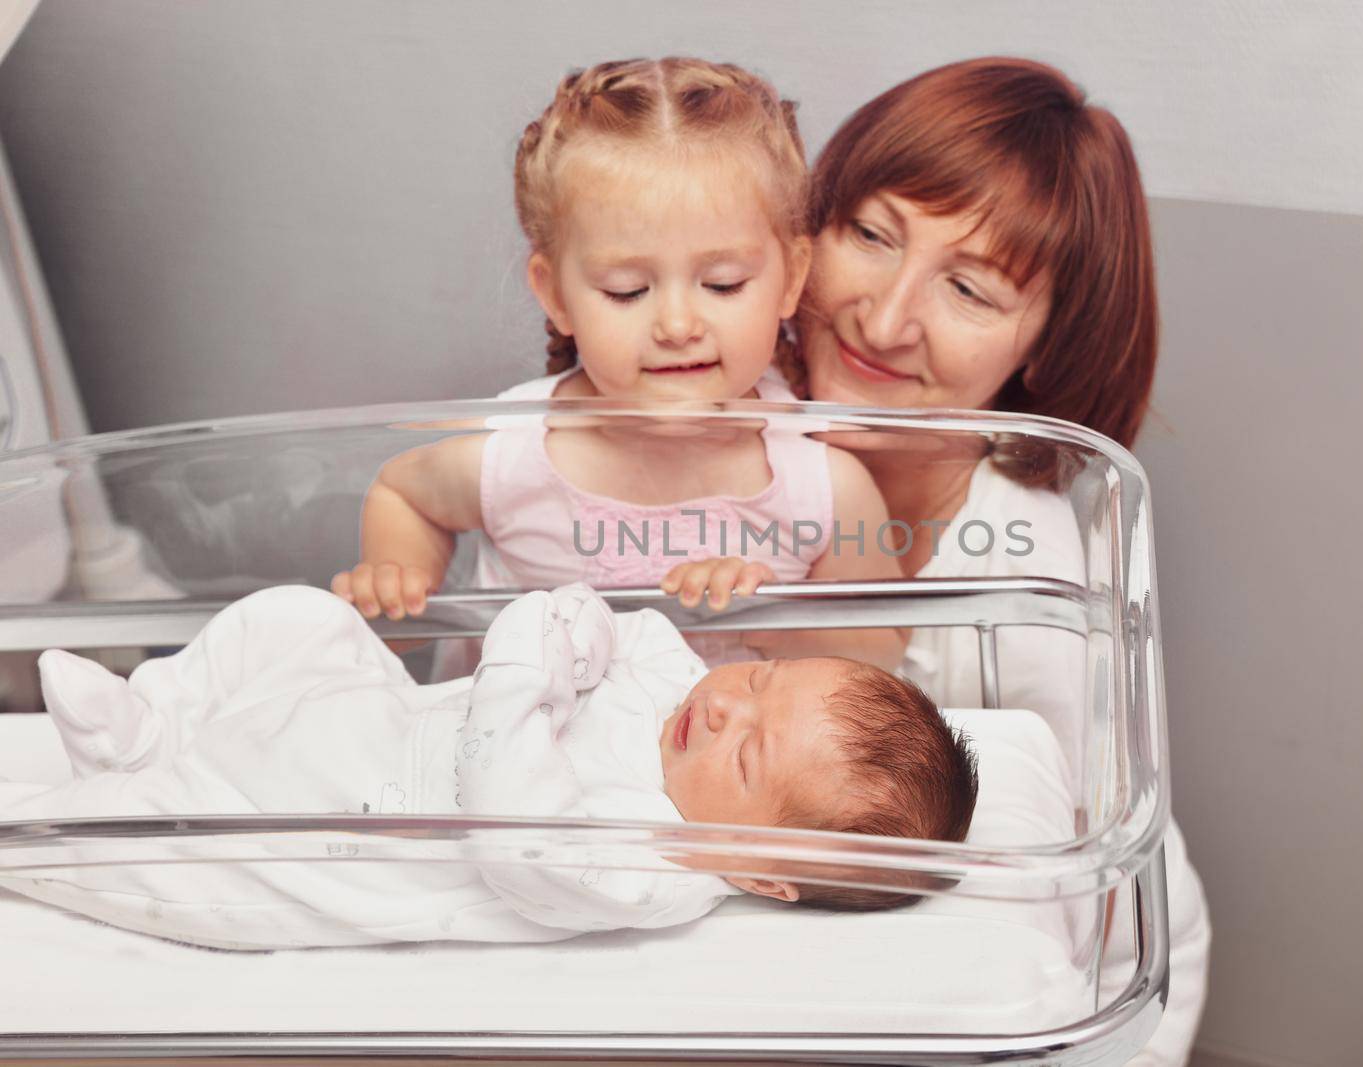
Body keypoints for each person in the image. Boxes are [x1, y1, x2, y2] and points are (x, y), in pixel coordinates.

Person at [787, 58, 1211, 1067]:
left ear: (1044, 340)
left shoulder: (1032, 588)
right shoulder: (693, 432)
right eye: (870, 235)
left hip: (1075, 976)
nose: (884, 320)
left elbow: (1049, 915)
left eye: (970, 289)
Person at [0, 584, 976, 950]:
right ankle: (153, 724)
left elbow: (517, 833)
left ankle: (78, 803)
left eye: (748, 748)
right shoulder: (684, 687)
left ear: (759, 867)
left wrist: (523, 668)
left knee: (120, 843)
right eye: (760, 678)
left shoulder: (656, 867)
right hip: (367, 709)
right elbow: (621, 625)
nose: (722, 703)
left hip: (301, 832)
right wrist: (572, 628)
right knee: (299, 618)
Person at [331, 57, 902, 669]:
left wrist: (775, 617)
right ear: (555, 295)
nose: (678, 326)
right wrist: (399, 580)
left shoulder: (824, 486)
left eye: (724, 283)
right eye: (627, 290)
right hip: (527, 759)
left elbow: (883, 654)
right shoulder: (510, 456)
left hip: (718, 762)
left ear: (791, 278)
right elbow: (403, 492)